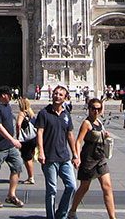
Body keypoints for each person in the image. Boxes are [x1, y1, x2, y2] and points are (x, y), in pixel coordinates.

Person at [68, 98, 116, 219]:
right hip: (89, 159)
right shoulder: (86, 123)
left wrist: (105, 135)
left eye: (98, 109)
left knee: (107, 187)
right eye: (93, 108)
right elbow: (78, 141)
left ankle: (112, 217)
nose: (96, 111)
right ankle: (72, 211)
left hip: (100, 158)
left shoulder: (99, 122)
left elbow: (100, 135)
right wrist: (76, 156)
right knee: (84, 187)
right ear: (89, 109)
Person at [36, 85, 78, 219]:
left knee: (71, 186)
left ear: (65, 98)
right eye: (55, 93)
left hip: (64, 157)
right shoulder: (44, 113)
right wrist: (40, 152)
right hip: (49, 157)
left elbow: (70, 135)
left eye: (60, 94)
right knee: (52, 190)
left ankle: (61, 214)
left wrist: (75, 154)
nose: (57, 96)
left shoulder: (66, 114)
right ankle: (51, 216)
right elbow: (39, 133)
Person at [0, 86, 24, 209]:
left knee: (17, 166)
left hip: (10, 146)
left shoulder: (7, 106)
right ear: (3, 95)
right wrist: (13, 139)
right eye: (9, 94)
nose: (11, 97)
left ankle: (11, 195)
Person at [16, 97, 37, 184]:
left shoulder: (22, 113)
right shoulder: (31, 113)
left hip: (26, 139)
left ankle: (31, 177)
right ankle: (31, 175)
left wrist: (18, 135)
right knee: (30, 157)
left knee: (27, 158)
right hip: (33, 138)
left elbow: (18, 124)